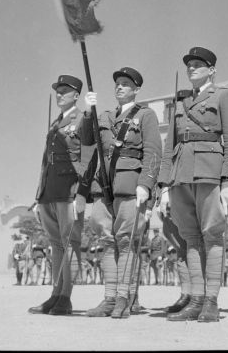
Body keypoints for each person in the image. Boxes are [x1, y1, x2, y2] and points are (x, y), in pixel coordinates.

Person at [158, 47, 228, 323]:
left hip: (209, 171)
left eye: (198, 64)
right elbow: (169, 146)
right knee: (190, 238)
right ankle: (195, 299)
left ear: (212, 70)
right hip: (180, 175)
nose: (191, 68)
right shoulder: (180, 102)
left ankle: (211, 301)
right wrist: (163, 186)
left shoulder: (223, 95)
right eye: (189, 65)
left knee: (212, 235)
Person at [76, 66, 162, 319]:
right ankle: (109, 298)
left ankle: (124, 297)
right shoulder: (103, 116)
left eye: (126, 83)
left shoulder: (145, 115)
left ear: (136, 89)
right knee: (106, 240)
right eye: (117, 83)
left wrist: (146, 184)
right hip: (104, 186)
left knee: (126, 241)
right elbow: (86, 139)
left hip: (131, 184)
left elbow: (154, 152)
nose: (120, 87)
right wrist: (87, 112)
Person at [29, 74, 86, 316]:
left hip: (69, 191)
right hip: (49, 192)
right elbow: (45, 162)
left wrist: (82, 193)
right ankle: (55, 294)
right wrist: (37, 196)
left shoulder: (83, 119)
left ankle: (66, 297)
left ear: (76, 95)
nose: (59, 94)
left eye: (65, 90)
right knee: (55, 245)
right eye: (57, 90)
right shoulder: (55, 124)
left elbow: (89, 158)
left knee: (70, 243)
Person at [161, 204, 192, 313]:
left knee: (196, 250)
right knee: (181, 253)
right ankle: (186, 295)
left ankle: (200, 297)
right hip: (169, 200)